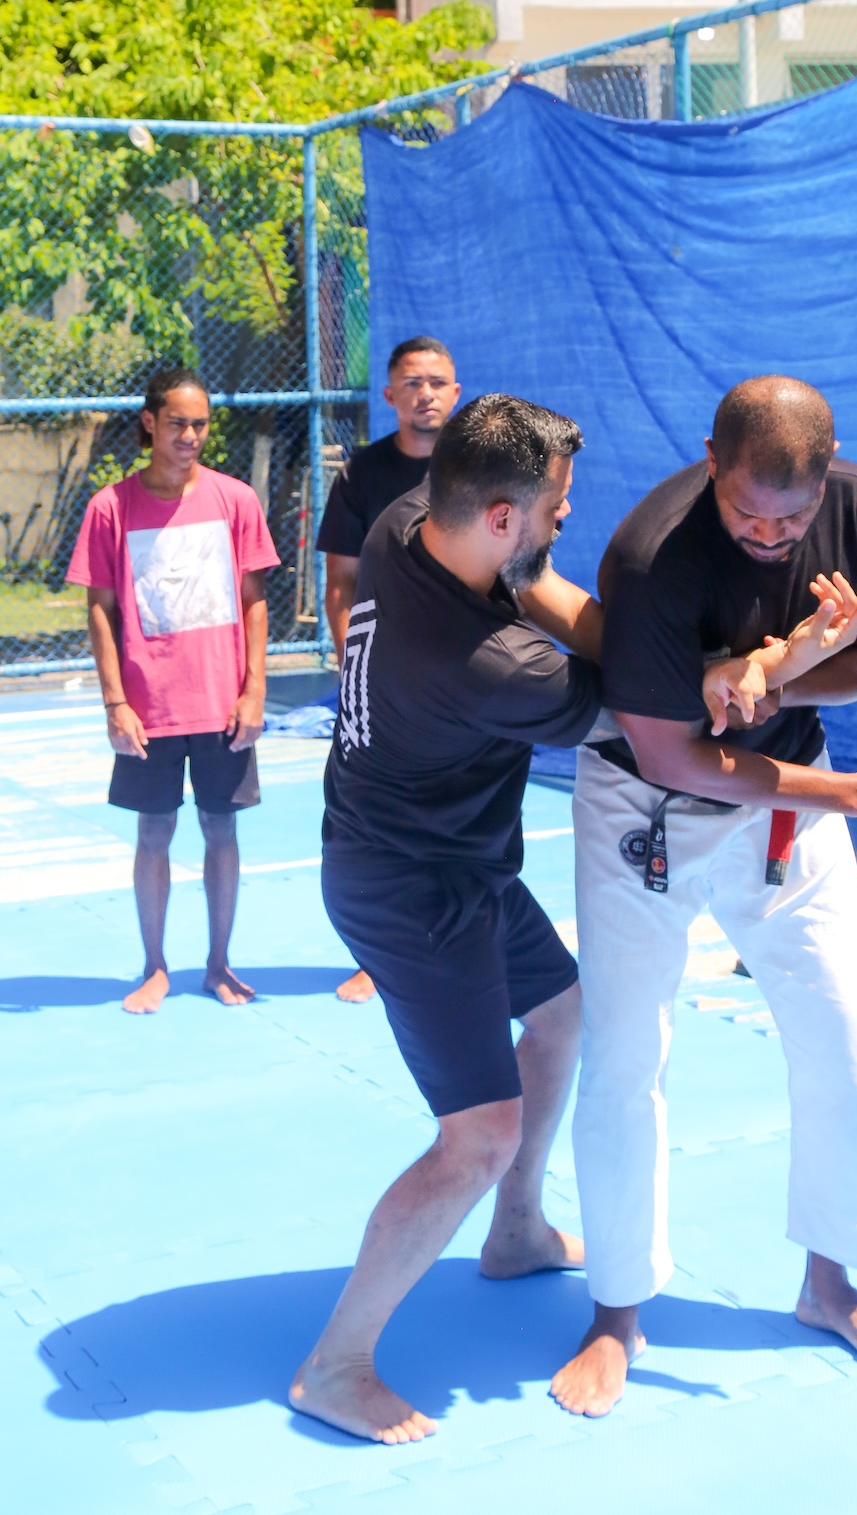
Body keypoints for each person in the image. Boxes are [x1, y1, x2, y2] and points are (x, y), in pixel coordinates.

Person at [550, 375, 857, 1418]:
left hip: (786, 795)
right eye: (746, 512)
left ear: (826, 477)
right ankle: (616, 1310)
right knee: (625, 1054)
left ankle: (830, 1282)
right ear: (712, 461)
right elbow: (679, 754)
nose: (767, 534)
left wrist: (775, 672)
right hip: (647, 803)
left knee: (843, 1032)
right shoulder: (650, 557)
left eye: (789, 521)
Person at [289, 393, 606, 1444]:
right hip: (410, 890)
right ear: (501, 517)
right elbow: (648, 707)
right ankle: (335, 1366)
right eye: (554, 507)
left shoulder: (409, 522)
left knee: (559, 1015)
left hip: (438, 855)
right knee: (477, 1136)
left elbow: (529, 577)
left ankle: (517, 1231)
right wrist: (761, 664)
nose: (566, 518)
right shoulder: (492, 664)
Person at [66, 367, 280, 1014]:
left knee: (221, 829)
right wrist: (115, 702)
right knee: (154, 832)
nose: (191, 435)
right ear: (150, 422)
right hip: (148, 710)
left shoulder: (236, 500)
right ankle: (154, 966)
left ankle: (219, 963)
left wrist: (254, 690)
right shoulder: (110, 507)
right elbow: (99, 609)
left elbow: (254, 601)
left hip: (223, 707)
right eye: (179, 423)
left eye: (201, 424)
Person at [316, 334, 461, 1003]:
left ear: (455, 393)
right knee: (377, 822)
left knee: (465, 815)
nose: (425, 394)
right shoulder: (363, 475)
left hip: (465, 681)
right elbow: (340, 584)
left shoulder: (477, 470)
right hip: (383, 686)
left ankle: (459, 937)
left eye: (437, 382)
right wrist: (357, 669)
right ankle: (378, 955)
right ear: (390, 395)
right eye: (412, 383)